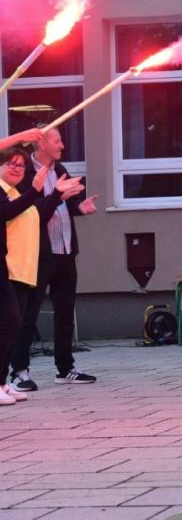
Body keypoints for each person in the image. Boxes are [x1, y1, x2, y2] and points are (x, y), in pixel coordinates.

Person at [10, 129, 98, 390]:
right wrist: (57, 195)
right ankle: (20, 371)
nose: (62, 145)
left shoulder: (59, 168)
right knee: (28, 313)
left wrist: (79, 208)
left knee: (65, 312)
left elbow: (67, 205)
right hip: (39, 254)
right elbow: (33, 214)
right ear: (41, 143)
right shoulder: (25, 173)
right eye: (57, 141)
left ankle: (65, 368)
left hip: (66, 251)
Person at [1, 147, 83, 401]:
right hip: (9, 268)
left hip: (23, 269)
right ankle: (11, 375)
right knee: (11, 323)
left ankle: (3, 383)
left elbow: (37, 216)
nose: (16, 168)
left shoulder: (14, 192)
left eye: (20, 165)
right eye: (10, 163)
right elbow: (6, 212)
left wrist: (57, 195)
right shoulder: (4, 192)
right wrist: (36, 190)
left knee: (12, 325)